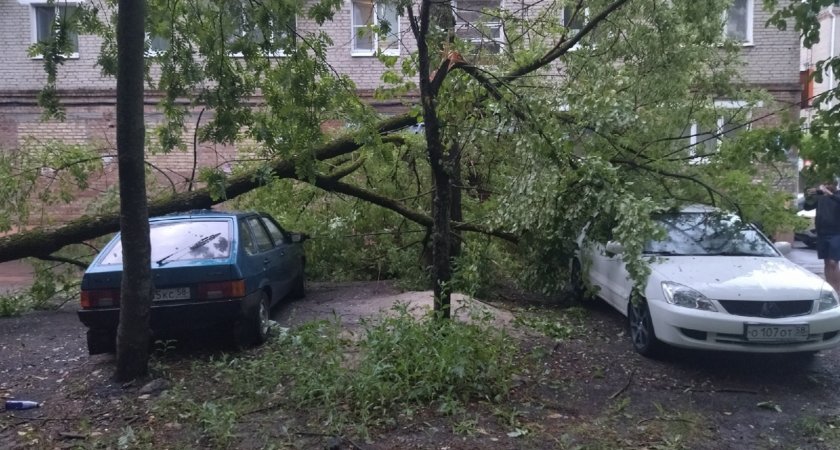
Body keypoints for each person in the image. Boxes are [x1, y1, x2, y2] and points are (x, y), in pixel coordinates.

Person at [805, 181, 840, 293]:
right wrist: (809, 196)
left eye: (828, 185)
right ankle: (830, 288)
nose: (826, 187)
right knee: (826, 262)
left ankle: (837, 289)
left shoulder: (837, 195)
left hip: (836, 233)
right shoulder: (821, 197)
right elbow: (807, 207)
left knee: (833, 262)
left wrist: (830, 194)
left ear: (834, 185)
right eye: (824, 185)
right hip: (822, 233)